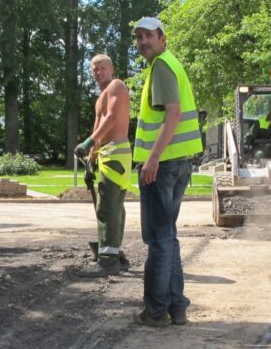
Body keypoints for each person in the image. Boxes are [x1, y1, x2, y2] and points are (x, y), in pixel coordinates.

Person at [132, 16, 203, 327]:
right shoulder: (170, 64)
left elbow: (172, 115)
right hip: (177, 163)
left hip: (161, 166)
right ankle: (177, 307)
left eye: (148, 36)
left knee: (159, 238)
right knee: (168, 237)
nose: (143, 42)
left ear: (163, 39)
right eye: (139, 37)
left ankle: (157, 311)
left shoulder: (162, 66)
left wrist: (152, 158)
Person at [75, 54, 132, 276]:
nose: (97, 72)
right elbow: (99, 126)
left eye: (102, 68)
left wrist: (89, 142)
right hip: (107, 154)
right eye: (94, 69)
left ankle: (107, 261)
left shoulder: (117, 86)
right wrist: (91, 157)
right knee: (113, 205)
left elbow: (111, 119)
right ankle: (114, 252)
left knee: (107, 206)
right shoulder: (100, 96)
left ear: (112, 68)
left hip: (117, 152)